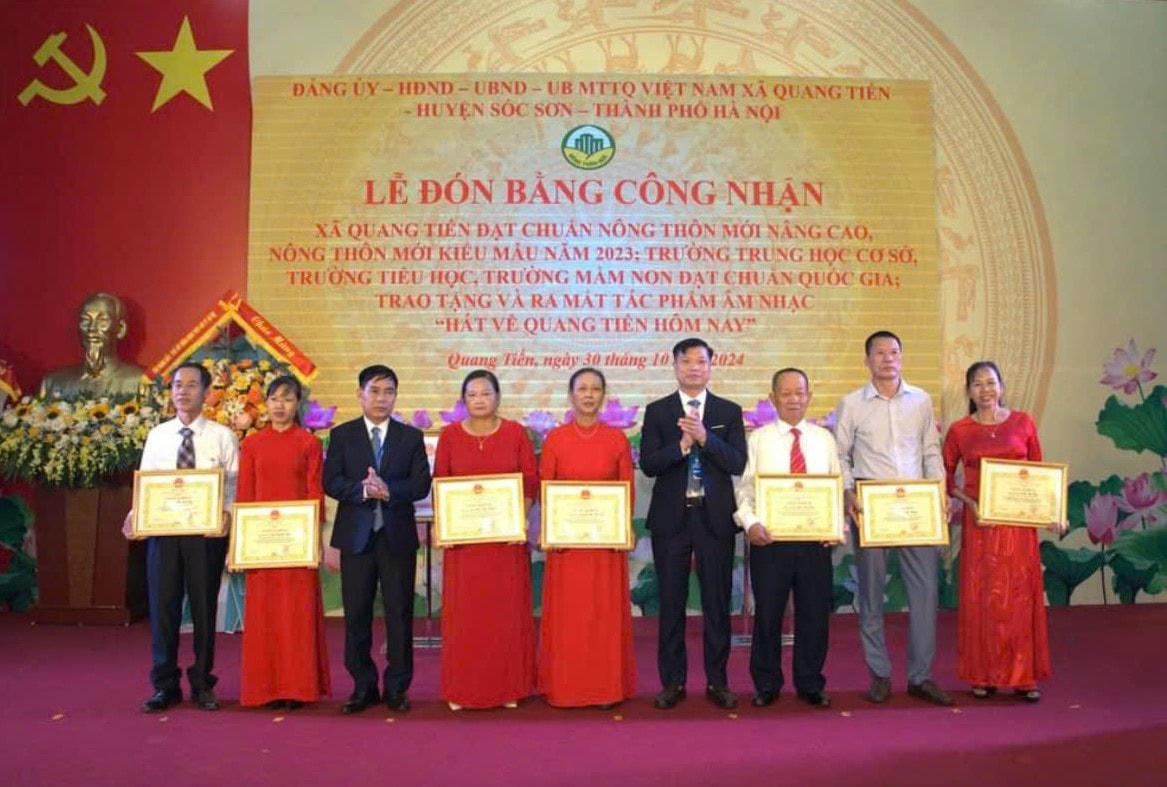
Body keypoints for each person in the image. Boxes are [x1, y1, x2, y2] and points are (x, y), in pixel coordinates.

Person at [835, 330, 952, 706]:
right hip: (872, 503)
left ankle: (921, 676)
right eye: (880, 353)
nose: (888, 359)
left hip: (917, 502)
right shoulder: (852, 403)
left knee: (925, 592)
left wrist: (939, 492)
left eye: (894, 352)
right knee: (871, 593)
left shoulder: (921, 400)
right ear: (867, 360)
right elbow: (841, 454)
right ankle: (880, 674)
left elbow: (930, 450)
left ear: (902, 357)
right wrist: (849, 492)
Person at [942, 361, 1061, 702]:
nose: (985, 390)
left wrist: (1052, 514)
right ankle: (983, 675)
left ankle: (1024, 677)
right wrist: (972, 504)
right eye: (977, 384)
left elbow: (1039, 474)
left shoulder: (1023, 422)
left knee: (1020, 599)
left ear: (1002, 387)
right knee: (982, 600)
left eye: (991, 382)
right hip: (981, 526)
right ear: (968, 391)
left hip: (1018, 528)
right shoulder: (960, 430)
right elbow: (945, 478)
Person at [123, 361, 238, 712]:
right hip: (164, 534)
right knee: (163, 608)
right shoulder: (158, 436)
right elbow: (147, 485)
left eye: (191, 385)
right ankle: (165, 684)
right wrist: (135, 514)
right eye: (177, 385)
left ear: (206, 392)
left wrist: (227, 515)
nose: (182, 391)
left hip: (205, 535)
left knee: (204, 608)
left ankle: (202, 682)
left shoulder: (222, 436)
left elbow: (234, 486)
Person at [639, 338, 747, 710]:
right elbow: (649, 464)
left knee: (717, 603)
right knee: (671, 603)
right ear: (675, 366)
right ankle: (673, 682)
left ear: (711, 366)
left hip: (714, 520)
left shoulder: (728, 411)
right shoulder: (658, 411)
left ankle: (718, 681)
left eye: (701, 361)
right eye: (686, 362)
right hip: (672, 520)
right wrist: (683, 446)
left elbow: (737, 462)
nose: (694, 368)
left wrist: (706, 438)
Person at [323, 365, 431, 714]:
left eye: (389, 392)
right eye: (375, 391)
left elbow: (420, 485)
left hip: (397, 537)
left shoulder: (410, 437)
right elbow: (331, 481)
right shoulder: (342, 435)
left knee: (399, 614)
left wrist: (389, 490)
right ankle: (363, 687)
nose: (382, 398)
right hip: (356, 538)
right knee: (357, 615)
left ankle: (397, 688)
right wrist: (363, 490)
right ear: (360, 394)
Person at [734, 368, 841, 709]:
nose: (794, 399)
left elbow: (836, 485)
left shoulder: (824, 439)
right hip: (770, 541)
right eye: (786, 393)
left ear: (809, 397)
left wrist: (835, 525)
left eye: (800, 393)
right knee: (768, 615)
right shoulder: (759, 439)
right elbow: (744, 490)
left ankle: (810, 682)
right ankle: (767, 683)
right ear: (773, 398)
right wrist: (750, 524)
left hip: (815, 542)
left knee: (814, 615)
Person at [434, 370, 537, 710]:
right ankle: (462, 690)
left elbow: (529, 481)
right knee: (466, 618)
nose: (479, 400)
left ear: (498, 397)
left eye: (486, 393)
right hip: (464, 546)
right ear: (463, 400)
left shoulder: (515, 433)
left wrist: (518, 518)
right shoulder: (450, 436)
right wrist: (443, 526)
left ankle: (508, 688)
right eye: (472, 394)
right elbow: (441, 482)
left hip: (505, 544)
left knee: (505, 616)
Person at [538, 367, 636, 708]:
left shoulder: (616, 439)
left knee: (602, 616)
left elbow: (626, 488)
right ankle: (565, 689)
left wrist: (623, 527)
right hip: (566, 546)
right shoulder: (555, 439)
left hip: (604, 545)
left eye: (595, 389)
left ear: (603, 396)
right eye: (582, 389)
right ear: (571, 395)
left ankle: (605, 689)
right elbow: (546, 487)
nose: (589, 395)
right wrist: (550, 529)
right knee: (569, 618)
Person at [237, 375, 331, 710]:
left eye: (288, 399)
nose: (280, 405)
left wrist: (314, 539)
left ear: (298, 404)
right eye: (274, 399)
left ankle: (298, 688)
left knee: (297, 616)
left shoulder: (309, 443)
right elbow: (245, 494)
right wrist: (241, 543)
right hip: (261, 546)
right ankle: (265, 689)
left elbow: (315, 493)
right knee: (264, 617)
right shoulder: (252, 444)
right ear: (266, 403)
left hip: (297, 545)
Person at [39, 292, 145, 399]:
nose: (92, 328)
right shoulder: (53, 382)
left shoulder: (141, 381)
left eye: (102, 321)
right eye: (85, 320)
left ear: (121, 329)